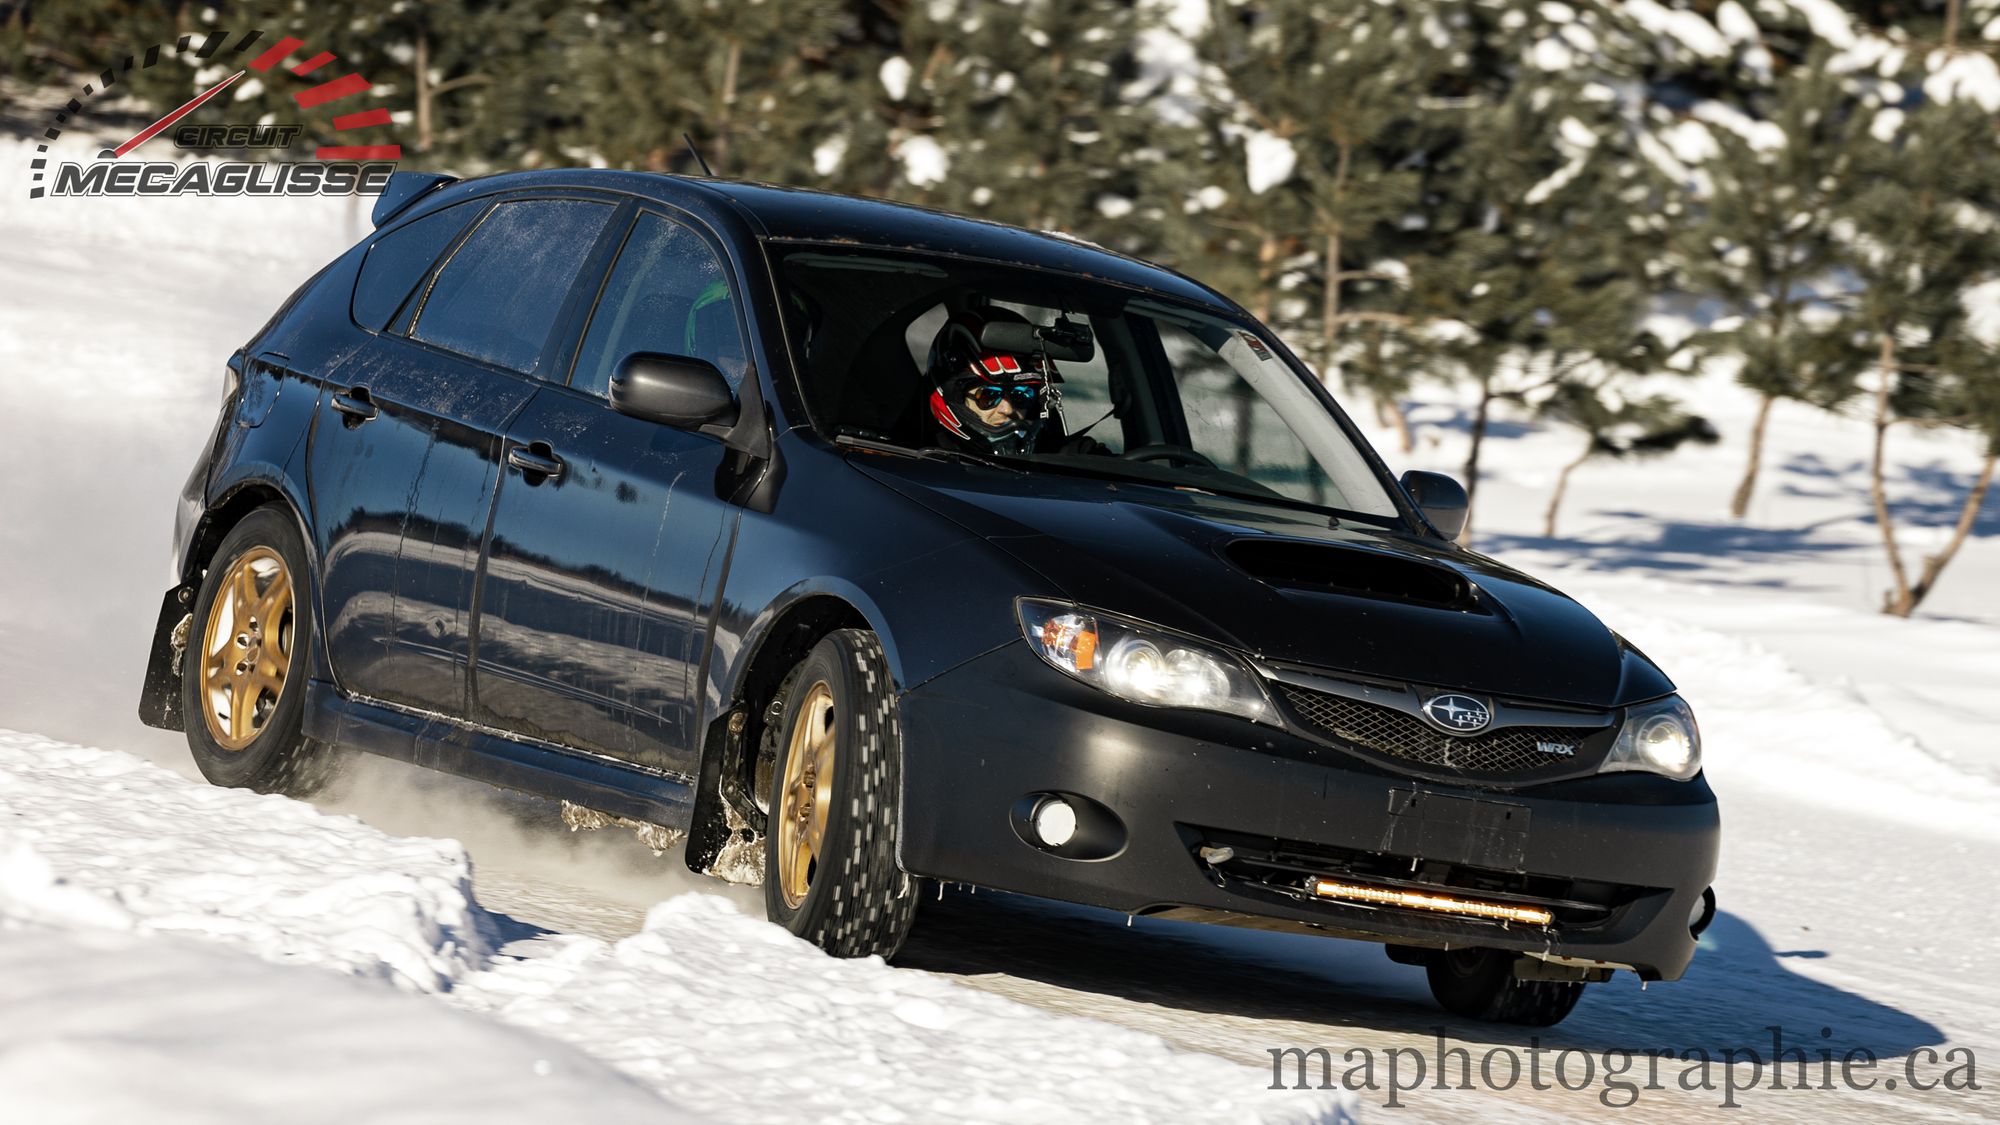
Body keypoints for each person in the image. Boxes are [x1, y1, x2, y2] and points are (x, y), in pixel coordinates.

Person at [924, 304, 1106, 456]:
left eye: (1022, 395)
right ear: (954, 397)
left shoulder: (1058, 453)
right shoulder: (912, 459)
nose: (1008, 409)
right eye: (988, 396)